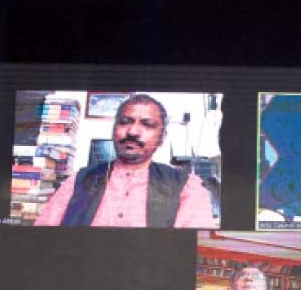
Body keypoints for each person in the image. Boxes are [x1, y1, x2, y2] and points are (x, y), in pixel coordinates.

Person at [34, 93, 217, 228]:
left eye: (147, 124)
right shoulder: (78, 181)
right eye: (124, 121)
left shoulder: (185, 186)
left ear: (162, 137)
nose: (132, 131)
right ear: (114, 129)